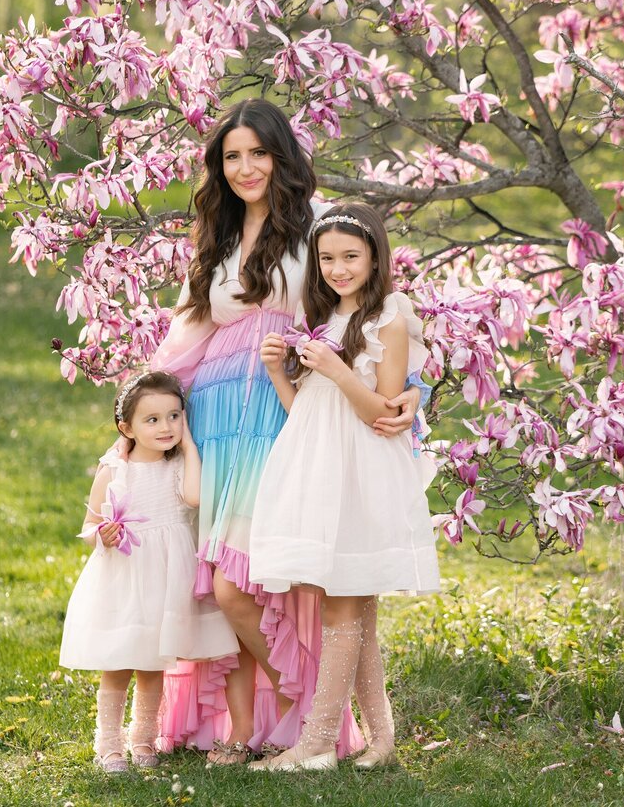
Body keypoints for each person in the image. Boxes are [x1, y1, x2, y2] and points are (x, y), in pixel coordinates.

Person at [150, 99, 424, 763]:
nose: (246, 168)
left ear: (282, 155)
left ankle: (314, 721)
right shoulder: (215, 234)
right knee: (219, 580)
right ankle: (254, 725)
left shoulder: (315, 230)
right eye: (232, 156)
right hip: (217, 418)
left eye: (258, 153)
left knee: (259, 580)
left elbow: (368, 316)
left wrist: (414, 393)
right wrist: (145, 405)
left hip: (285, 414)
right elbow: (188, 332)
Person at [247, 203, 441, 771]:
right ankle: (380, 741)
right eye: (327, 258)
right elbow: (306, 411)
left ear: (375, 257)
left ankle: (315, 745)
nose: (338, 268)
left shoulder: (389, 319)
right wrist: (282, 374)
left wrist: (334, 369)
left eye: (350, 257)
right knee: (358, 612)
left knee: (341, 608)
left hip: (363, 472)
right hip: (319, 469)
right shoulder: (324, 319)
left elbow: (380, 412)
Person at [59, 371, 239, 773]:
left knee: (153, 664)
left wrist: (190, 446)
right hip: (125, 578)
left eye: (174, 416)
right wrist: (101, 536)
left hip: (166, 578)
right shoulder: (114, 470)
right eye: (152, 420)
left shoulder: (178, 466)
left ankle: (142, 739)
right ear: (127, 427)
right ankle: (108, 745)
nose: (166, 427)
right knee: (119, 662)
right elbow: (89, 525)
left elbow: (193, 497)